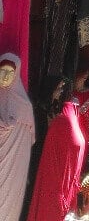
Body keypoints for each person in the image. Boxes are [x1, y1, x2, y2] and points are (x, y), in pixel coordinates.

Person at [0, 53, 35, 221]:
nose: (5, 76)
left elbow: (25, 147)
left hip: (12, 174)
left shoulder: (24, 108)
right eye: (2, 71)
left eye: (10, 72)